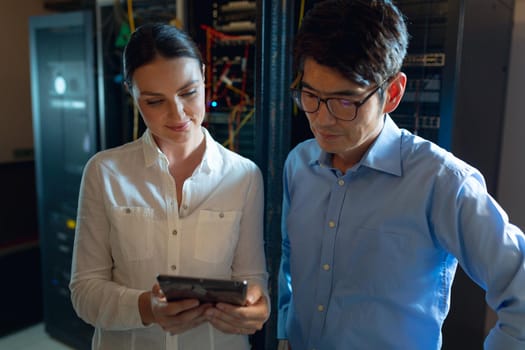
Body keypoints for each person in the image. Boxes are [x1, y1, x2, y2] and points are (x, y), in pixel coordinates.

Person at [277, 0, 525, 349]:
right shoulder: (298, 165)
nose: (322, 118)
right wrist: (284, 334)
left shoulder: (442, 181)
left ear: (392, 92)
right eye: (310, 96)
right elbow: (288, 261)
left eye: (345, 102)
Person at [69, 23, 269, 350]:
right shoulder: (104, 172)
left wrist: (258, 305)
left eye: (189, 93)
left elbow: (253, 279)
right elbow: (85, 292)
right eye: (154, 101)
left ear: (205, 76)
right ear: (132, 94)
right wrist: (147, 308)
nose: (178, 114)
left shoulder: (244, 176)